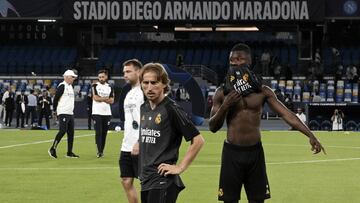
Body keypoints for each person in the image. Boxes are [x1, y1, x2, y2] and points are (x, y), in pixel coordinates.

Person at [209, 43, 325, 203]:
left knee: (258, 200)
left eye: (239, 59)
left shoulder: (263, 91)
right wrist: (225, 106)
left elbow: (287, 115)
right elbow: (212, 127)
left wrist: (311, 135)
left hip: (255, 153)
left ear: (249, 62)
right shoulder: (222, 92)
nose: (235, 63)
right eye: (232, 60)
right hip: (231, 153)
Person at [139, 63, 204, 203]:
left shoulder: (171, 108)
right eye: (145, 82)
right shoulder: (143, 108)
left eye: (154, 82)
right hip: (146, 179)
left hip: (163, 180)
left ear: (164, 84)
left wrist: (180, 167)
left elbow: (198, 140)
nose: (149, 87)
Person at [119, 59, 144, 203]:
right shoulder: (128, 93)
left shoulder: (145, 92)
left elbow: (149, 119)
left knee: (145, 183)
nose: (125, 75)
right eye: (124, 72)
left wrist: (140, 141)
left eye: (128, 71)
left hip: (141, 145)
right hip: (126, 145)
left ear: (139, 72)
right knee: (126, 180)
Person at [48, 70, 79, 159]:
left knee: (71, 133)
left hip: (70, 113)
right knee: (62, 131)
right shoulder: (62, 86)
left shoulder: (70, 86)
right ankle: (52, 148)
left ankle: (69, 152)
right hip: (63, 112)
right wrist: (54, 110)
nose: (73, 79)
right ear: (66, 77)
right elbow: (56, 98)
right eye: (72, 77)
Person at [92, 69, 114, 158]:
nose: (101, 78)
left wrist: (101, 98)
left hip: (107, 113)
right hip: (96, 112)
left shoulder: (110, 87)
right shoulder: (94, 86)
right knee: (98, 132)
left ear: (106, 77)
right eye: (99, 77)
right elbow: (95, 98)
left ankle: (102, 151)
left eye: (102, 77)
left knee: (104, 133)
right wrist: (106, 98)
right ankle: (99, 151)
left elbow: (112, 100)